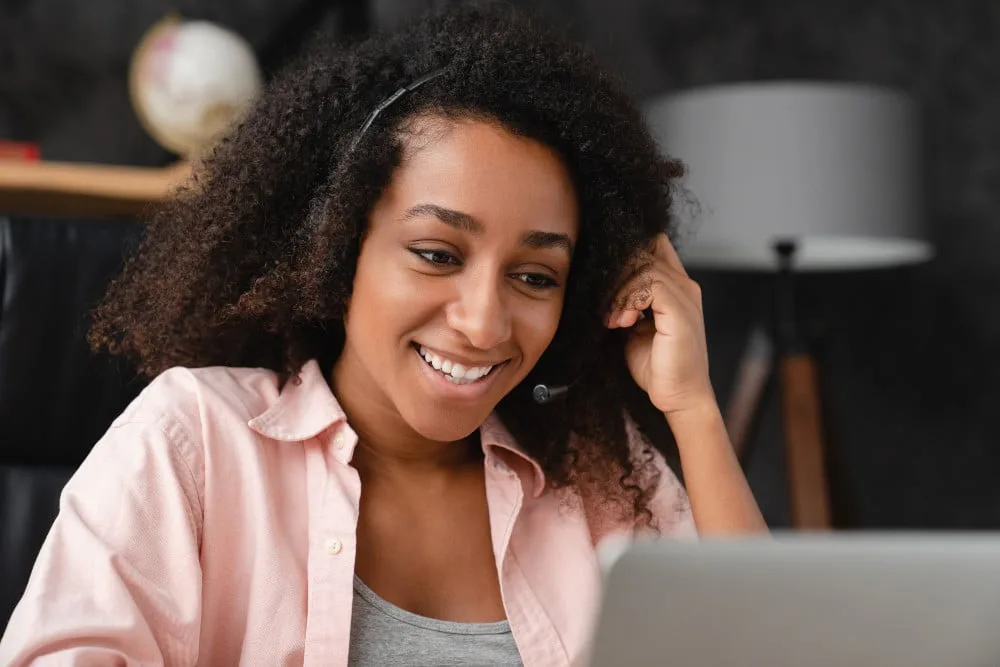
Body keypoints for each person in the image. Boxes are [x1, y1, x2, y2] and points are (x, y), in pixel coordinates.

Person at [0, 4, 766, 666]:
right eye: (437, 254)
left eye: (535, 276)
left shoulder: (596, 478)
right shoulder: (194, 439)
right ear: (340, 248)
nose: (482, 321)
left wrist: (692, 407)